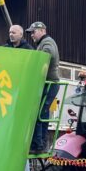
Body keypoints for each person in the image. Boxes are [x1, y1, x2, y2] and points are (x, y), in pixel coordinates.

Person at [26, 21, 60, 153]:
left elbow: (48, 53)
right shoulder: (43, 43)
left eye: (33, 32)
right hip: (48, 83)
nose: (32, 35)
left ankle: (38, 145)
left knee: (39, 113)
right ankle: (42, 144)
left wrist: (35, 60)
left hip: (49, 83)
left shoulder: (47, 43)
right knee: (43, 114)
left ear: (42, 30)